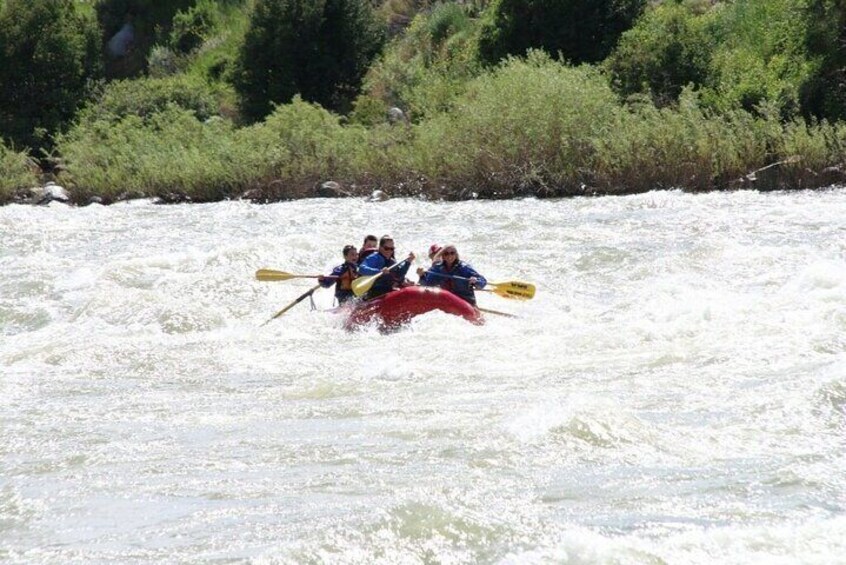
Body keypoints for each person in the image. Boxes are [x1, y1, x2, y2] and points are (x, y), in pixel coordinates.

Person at [420, 244, 487, 305]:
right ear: (443, 256)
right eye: (446, 254)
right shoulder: (438, 268)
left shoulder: (464, 267)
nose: (449, 256)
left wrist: (476, 281)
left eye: (452, 253)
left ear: (456, 255)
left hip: (466, 302)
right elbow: (427, 284)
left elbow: (483, 281)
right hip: (447, 301)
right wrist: (421, 275)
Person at [357, 235, 415, 300]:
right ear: (380, 248)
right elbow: (361, 269)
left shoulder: (392, 261)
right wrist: (379, 271)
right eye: (386, 248)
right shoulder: (374, 257)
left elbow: (399, 275)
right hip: (373, 292)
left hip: (387, 290)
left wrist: (408, 262)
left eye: (392, 249)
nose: (389, 251)